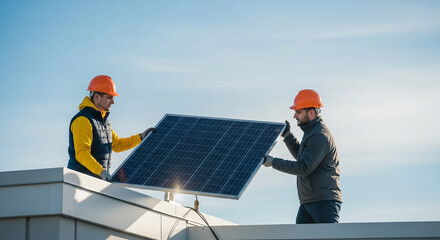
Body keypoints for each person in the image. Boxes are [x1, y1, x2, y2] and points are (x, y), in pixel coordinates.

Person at [263, 89, 342, 224]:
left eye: (298, 112)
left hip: (323, 202)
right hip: (308, 201)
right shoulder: (312, 132)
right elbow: (303, 157)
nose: (294, 116)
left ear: (311, 112)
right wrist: (287, 136)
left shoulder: (320, 135)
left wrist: (273, 162)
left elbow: (303, 167)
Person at [68, 75, 155, 181]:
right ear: (96, 96)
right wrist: (101, 171)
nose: (113, 102)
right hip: (79, 183)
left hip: (96, 181)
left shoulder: (105, 122)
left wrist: (141, 137)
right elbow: (82, 153)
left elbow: (117, 145)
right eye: (109, 97)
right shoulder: (83, 120)